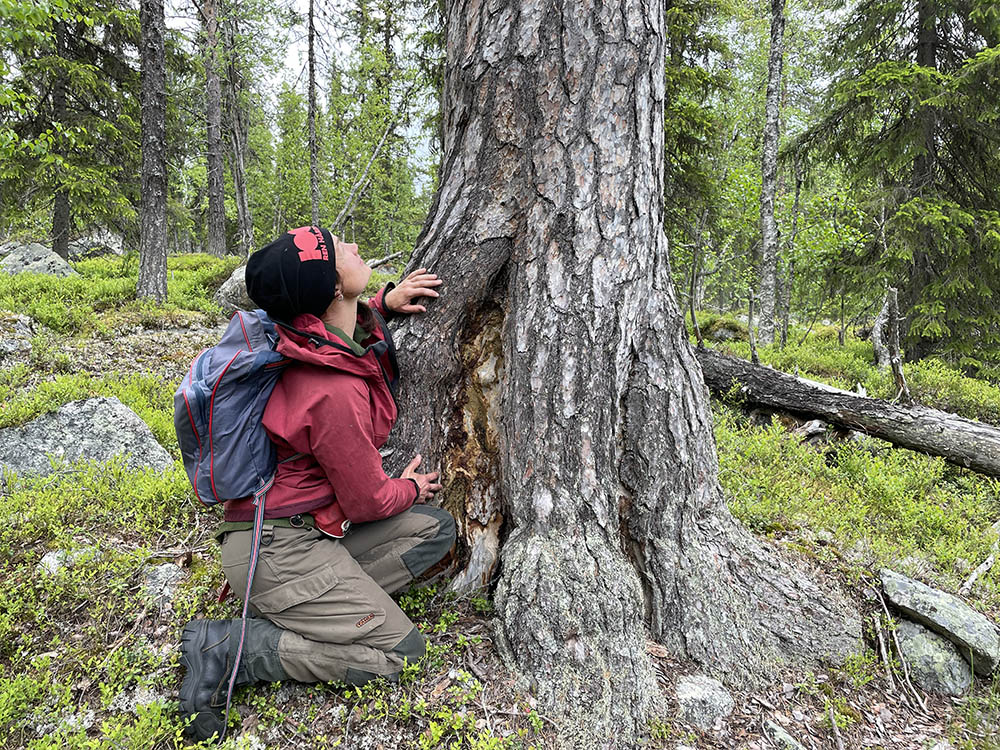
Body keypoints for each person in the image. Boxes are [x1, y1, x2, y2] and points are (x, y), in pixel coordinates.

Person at [178, 226, 456, 741]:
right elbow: (368, 501)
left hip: (302, 533)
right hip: (279, 550)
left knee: (433, 529)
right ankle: (235, 650)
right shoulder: (333, 390)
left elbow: (337, 333)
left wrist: (381, 304)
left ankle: (308, 605)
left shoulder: (303, 336)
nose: (353, 247)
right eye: (338, 250)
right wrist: (410, 488)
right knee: (401, 652)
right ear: (332, 288)